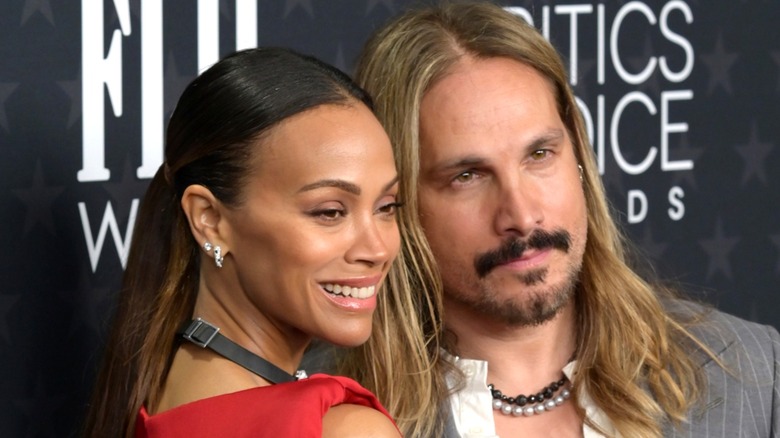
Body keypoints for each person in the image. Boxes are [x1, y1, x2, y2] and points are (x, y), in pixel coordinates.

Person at [352, 2, 780, 437]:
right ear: (396, 201)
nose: (521, 215)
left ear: (577, 154)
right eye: (467, 176)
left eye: (539, 155)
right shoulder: (331, 416)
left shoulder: (754, 372)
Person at [80, 47, 438, 437]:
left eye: (387, 206)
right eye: (330, 212)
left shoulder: (157, 395)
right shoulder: (344, 429)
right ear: (210, 219)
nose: (378, 249)